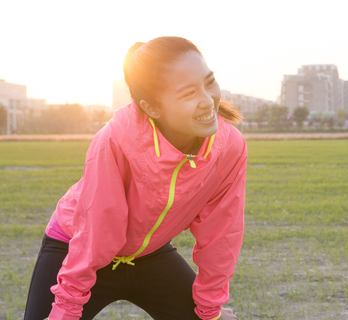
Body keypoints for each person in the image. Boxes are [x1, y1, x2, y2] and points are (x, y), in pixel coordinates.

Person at [23, 36, 246, 320]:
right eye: (188, 93)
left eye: (209, 82)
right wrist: (65, 310)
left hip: (149, 255)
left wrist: (209, 310)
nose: (207, 100)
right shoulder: (117, 138)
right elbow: (98, 227)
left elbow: (221, 232)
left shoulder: (229, 146)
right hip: (76, 245)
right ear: (152, 107)